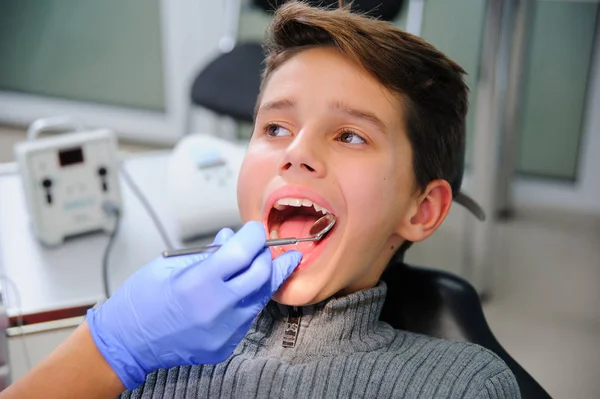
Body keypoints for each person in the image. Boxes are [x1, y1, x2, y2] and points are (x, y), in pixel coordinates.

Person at [1, 2, 521, 398]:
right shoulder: (157, 351)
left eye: (350, 136)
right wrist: (107, 349)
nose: (295, 153)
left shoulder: (460, 384)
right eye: (275, 127)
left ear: (421, 209)